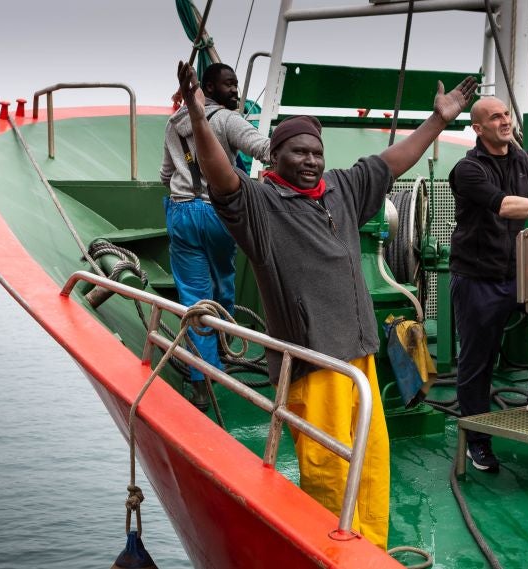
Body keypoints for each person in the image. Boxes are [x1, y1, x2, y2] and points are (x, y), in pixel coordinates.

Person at [176, 60, 476, 549]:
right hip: (314, 363)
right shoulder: (259, 205)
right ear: (275, 157)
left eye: (316, 151)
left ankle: (372, 550)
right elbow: (220, 174)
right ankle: (328, 551)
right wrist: (195, 110)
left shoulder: (341, 187)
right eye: (299, 152)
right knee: (329, 471)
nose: (311, 160)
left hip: (360, 356)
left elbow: (391, 161)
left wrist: (439, 119)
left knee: (372, 460)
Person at [448, 96, 528, 474]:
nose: (505, 121)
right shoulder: (468, 169)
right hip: (477, 278)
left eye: (506, 114)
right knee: (478, 363)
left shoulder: (524, 159)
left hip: (518, 273)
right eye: (495, 117)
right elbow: (503, 205)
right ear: (478, 128)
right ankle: (477, 443)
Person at [159, 62, 270, 411]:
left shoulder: (173, 124)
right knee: (223, 279)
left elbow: (165, 173)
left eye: (235, 84)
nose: (235, 91)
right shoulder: (226, 119)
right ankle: (224, 341)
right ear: (207, 87)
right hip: (219, 213)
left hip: (181, 212)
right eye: (228, 85)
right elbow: (262, 149)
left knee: (194, 297)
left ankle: (200, 382)